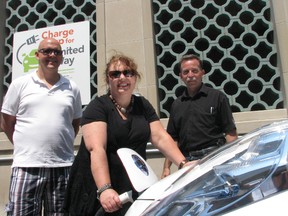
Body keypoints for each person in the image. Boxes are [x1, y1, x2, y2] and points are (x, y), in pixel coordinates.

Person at [63, 53, 195, 216]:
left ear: (135, 77)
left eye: (128, 72)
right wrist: (105, 188)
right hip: (97, 188)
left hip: (130, 185)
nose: (122, 77)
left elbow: (160, 137)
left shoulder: (142, 105)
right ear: (108, 79)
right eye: (115, 74)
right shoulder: (98, 107)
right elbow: (97, 149)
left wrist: (183, 164)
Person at [1, 38, 82, 215]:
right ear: (37, 55)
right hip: (26, 166)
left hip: (62, 166)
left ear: (61, 58)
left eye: (57, 52)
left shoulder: (72, 88)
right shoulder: (20, 84)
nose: (52, 55)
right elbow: (7, 121)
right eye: (46, 51)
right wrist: (24, 144)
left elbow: (74, 123)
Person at [161, 54, 238, 178]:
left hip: (214, 156)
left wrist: (232, 160)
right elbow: (173, 140)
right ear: (181, 76)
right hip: (187, 162)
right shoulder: (176, 105)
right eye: (186, 72)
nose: (190, 75)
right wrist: (166, 168)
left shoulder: (217, 97)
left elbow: (230, 132)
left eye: (194, 71)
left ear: (202, 73)